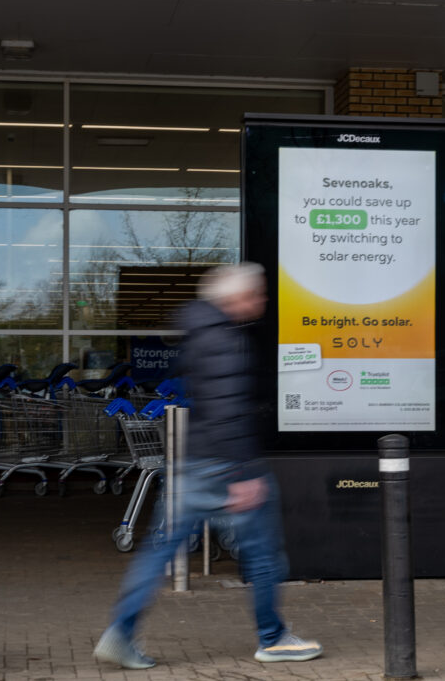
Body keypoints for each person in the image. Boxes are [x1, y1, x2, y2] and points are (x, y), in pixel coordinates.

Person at [94, 262, 323, 669]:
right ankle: (273, 639)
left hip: (196, 461)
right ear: (235, 297)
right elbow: (228, 408)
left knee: (159, 550)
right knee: (265, 554)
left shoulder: (201, 330)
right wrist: (243, 475)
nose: (262, 300)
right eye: (257, 293)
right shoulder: (225, 338)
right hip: (226, 464)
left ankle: (120, 633)